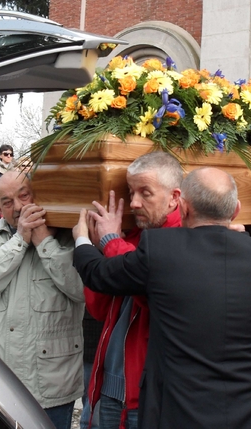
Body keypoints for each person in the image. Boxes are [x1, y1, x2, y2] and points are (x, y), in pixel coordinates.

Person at [73, 167, 251, 429]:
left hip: (182, 412)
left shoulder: (161, 248)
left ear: (181, 207)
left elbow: (97, 274)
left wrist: (84, 239)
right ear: (237, 209)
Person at [0, 171, 84, 429]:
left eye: (24, 195)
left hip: (51, 381)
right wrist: (19, 241)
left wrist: (45, 244)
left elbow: (81, 289)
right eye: (7, 202)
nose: (18, 207)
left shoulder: (70, 236)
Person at [83, 152, 183, 429]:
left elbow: (150, 285)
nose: (134, 202)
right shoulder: (133, 236)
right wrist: (101, 251)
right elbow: (99, 308)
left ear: (174, 197)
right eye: (130, 192)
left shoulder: (184, 238)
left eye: (145, 193)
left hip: (145, 398)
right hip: (108, 387)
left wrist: (111, 243)